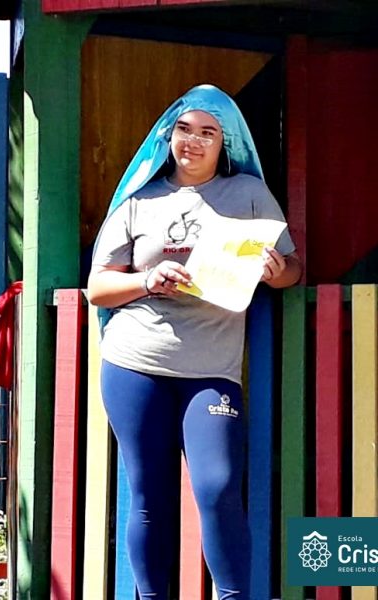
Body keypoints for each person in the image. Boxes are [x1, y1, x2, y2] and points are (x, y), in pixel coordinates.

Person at [87, 84, 301, 599]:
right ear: (168, 135)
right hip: (135, 363)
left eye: (208, 132)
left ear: (225, 143)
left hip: (212, 371)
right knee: (149, 495)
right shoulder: (139, 199)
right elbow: (98, 287)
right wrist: (147, 279)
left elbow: (293, 269)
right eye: (185, 129)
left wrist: (276, 272)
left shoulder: (250, 194)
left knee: (218, 486)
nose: (194, 141)